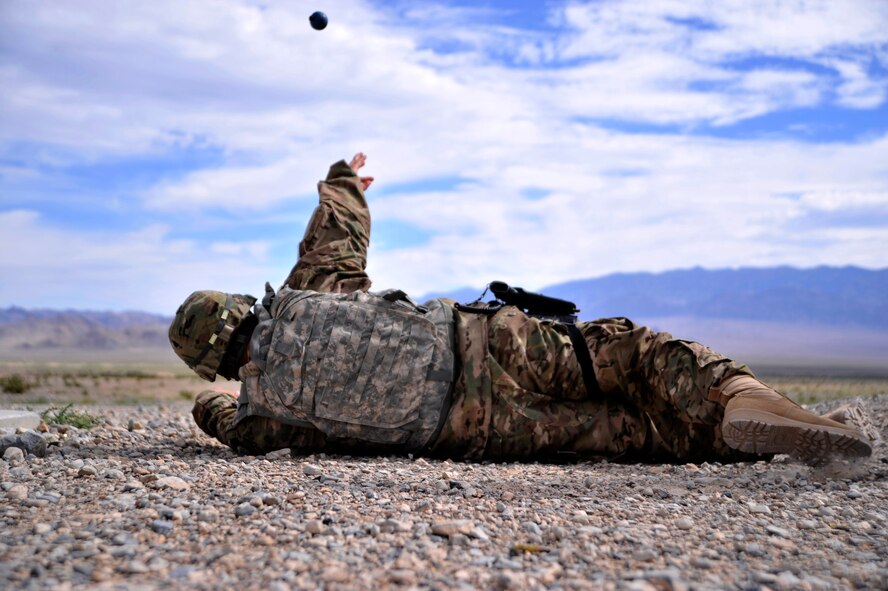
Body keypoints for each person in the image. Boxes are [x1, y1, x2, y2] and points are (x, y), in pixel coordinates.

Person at [169, 153, 874, 465]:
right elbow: (340, 229)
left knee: (632, 434)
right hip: (486, 345)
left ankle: (720, 437)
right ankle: (750, 400)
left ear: (212, 363)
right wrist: (345, 177)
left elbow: (219, 418)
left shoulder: (260, 424)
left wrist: (216, 406)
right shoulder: (309, 294)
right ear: (240, 305)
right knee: (630, 354)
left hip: (477, 428)